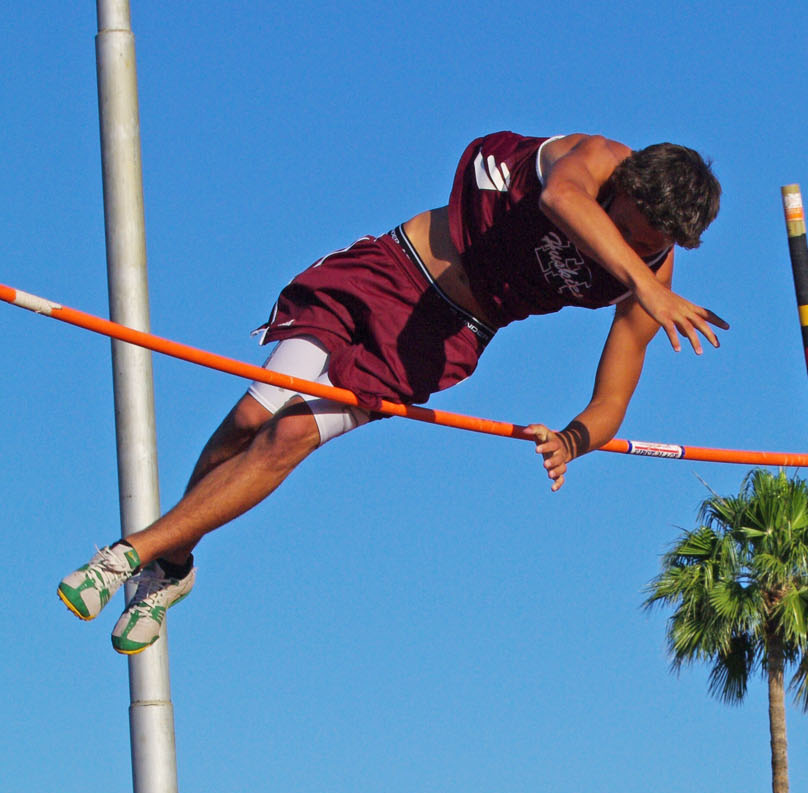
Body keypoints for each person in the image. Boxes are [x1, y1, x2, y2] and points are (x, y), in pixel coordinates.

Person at [58, 132, 725, 655]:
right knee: (248, 418)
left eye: (650, 247)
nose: (632, 252)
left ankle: (125, 556)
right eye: (629, 233)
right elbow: (561, 200)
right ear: (625, 185)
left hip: (443, 336)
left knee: (290, 434)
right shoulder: (596, 160)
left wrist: (573, 442)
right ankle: (173, 565)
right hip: (391, 271)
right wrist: (646, 285)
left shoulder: (653, 277)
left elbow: (611, 402)